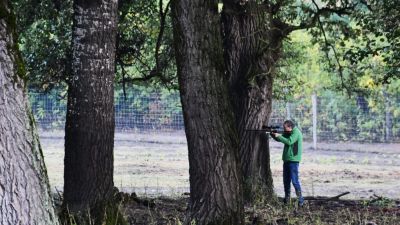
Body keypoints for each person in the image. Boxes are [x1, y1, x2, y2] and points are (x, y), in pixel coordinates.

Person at [271, 120, 304, 206]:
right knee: (286, 181)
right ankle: (287, 200)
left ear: (290, 127)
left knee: (295, 181)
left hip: (293, 160)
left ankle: (301, 201)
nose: (284, 130)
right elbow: (281, 139)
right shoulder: (289, 132)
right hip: (287, 160)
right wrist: (273, 135)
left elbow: (289, 141)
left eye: (285, 128)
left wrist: (279, 136)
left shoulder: (296, 132)